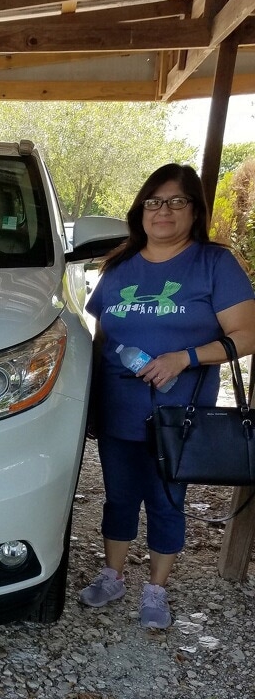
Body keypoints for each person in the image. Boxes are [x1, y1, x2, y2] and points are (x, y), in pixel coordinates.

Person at [80, 163, 255, 629]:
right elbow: (101, 339)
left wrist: (186, 357)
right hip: (119, 406)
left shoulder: (215, 263)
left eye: (177, 201)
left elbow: (247, 335)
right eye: (154, 201)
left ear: (194, 211)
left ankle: (156, 590)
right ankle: (113, 575)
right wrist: (91, 404)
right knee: (118, 497)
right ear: (140, 211)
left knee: (166, 498)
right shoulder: (118, 266)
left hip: (181, 413)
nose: (163, 211)